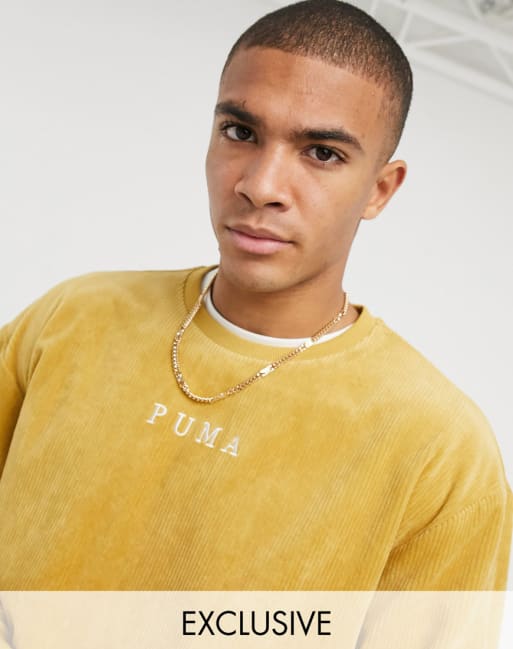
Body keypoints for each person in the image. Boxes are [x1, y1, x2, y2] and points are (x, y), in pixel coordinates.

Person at [0, 0, 511, 593]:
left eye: (322, 153)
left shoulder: (442, 454)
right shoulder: (75, 316)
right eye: (241, 133)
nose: (261, 186)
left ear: (380, 189)